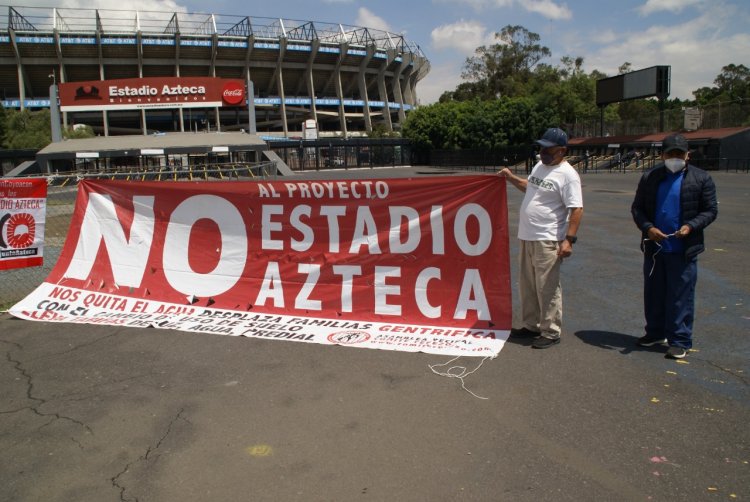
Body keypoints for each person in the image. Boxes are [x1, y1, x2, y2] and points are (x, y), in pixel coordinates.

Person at [631, 133, 718, 359]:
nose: (675, 157)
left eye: (680, 154)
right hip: (655, 247)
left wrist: (691, 226)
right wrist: (648, 228)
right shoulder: (650, 177)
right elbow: (637, 209)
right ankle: (655, 333)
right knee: (653, 293)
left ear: (687, 155)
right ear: (662, 155)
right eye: (671, 154)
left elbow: (710, 210)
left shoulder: (701, 179)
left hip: (684, 249)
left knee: (681, 295)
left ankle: (680, 340)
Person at [498, 128, 584, 349]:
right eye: (541, 147)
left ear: (562, 150)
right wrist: (511, 178)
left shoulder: (568, 175)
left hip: (548, 237)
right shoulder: (539, 166)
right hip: (527, 235)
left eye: (549, 149)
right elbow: (530, 188)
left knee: (547, 286)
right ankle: (531, 325)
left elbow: (576, 209)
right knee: (527, 284)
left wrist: (569, 240)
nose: (543, 152)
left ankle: (550, 330)